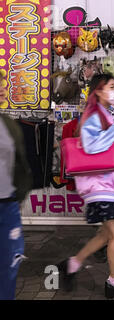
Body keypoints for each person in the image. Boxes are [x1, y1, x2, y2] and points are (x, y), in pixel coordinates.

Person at [57, 74, 114, 299]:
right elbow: (92, 147)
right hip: (99, 186)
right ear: (98, 92)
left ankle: (72, 264)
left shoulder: (102, 115)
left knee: (106, 234)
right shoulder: (94, 116)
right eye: (111, 87)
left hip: (103, 185)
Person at [0, 73, 33, 300]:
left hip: (8, 206)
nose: (3, 89)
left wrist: (18, 194)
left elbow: (19, 165)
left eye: (2, 84)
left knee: (10, 263)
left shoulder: (8, 124)